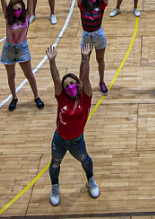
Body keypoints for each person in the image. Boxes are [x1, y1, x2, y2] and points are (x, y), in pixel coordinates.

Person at [47, 43, 101, 206]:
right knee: (55, 163)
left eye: (72, 83)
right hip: (60, 140)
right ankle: (54, 187)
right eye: (66, 86)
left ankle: (90, 180)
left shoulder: (86, 98)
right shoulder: (61, 98)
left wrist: (85, 58)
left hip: (77, 141)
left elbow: (85, 77)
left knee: (85, 160)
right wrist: (52, 61)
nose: (69, 86)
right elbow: (56, 79)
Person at [67, 0, 120, 96]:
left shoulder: (101, 5)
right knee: (84, 60)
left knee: (100, 60)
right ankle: (81, 83)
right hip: (86, 37)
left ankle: (102, 82)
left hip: (99, 35)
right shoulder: (82, 5)